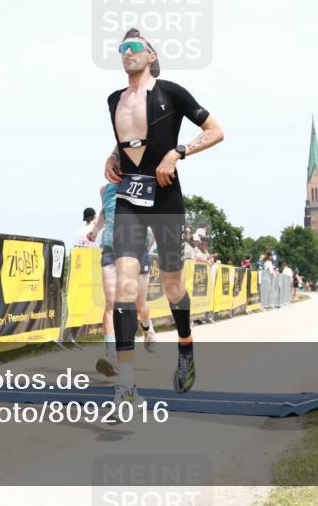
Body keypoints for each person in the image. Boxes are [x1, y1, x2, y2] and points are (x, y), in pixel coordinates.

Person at [103, 27, 224, 406]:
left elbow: (216, 131)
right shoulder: (113, 100)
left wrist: (178, 152)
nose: (127, 52)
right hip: (128, 199)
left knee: (172, 286)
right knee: (124, 285)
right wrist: (112, 156)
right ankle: (126, 384)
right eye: (122, 48)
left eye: (135, 47)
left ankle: (185, 348)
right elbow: (130, 138)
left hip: (166, 198)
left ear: (152, 55)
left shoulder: (171, 92)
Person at [86, 183, 157, 377]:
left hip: (136, 250)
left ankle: (147, 327)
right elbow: (105, 211)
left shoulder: (143, 185)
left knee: (139, 306)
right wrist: (96, 229)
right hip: (110, 249)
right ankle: (110, 356)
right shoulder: (104, 190)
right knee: (110, 304)